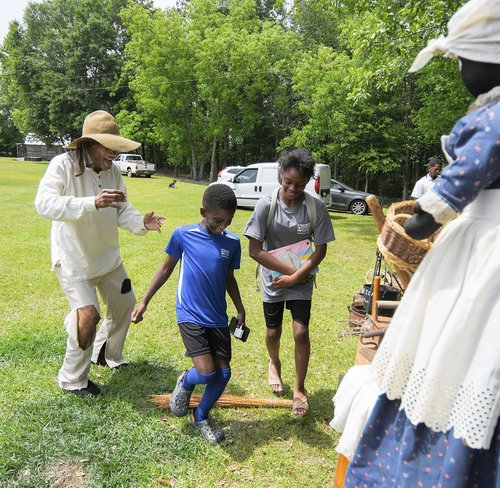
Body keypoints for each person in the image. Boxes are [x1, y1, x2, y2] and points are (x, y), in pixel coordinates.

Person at [346, 0, 500, 485]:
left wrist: (418, 225)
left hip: (484, 249)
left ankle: (428, 465)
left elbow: (457, 185)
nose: (460, 70)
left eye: (462, 60)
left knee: (457, 349)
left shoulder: (494, 118)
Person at [34, 110, 165, 397]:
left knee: (124, 303)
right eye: (109, 147)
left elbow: (122, 209)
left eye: (116, 148)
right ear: (89, 144)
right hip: (73, 260)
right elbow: (44, 204)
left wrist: (141, 222)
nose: (114, 155)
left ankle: (106, 352)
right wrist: (91, 202)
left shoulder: (113, 171)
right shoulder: (63, 166)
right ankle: (73, 379)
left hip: (107, 258)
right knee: (88, 316)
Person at [131, 184, 245, 444]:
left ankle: (201, 416)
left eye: (228, 221)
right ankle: (185, 380)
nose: (222, 225)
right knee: (206, 373)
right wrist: (144, 301)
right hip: (190, 313)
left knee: (223, 374)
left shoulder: (232, 242)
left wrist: (240, 307)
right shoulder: (183, 235)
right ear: (203, 211)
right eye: (217, 220)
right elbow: (165, 269)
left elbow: (229, 277)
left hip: (217, 316)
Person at [243, 148, 334, 417]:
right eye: (288, 182)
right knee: (273, 333)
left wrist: (297, 276)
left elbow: (321, 249)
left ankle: (299, 389)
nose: (293, 189)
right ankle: (274, 361)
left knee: (300, 333)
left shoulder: (315, 207)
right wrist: (288, 273)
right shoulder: (265, 205)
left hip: (302, 281)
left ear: (307, 183)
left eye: (300, 184)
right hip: (274, 282)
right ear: (280, 175)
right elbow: (254, 250)